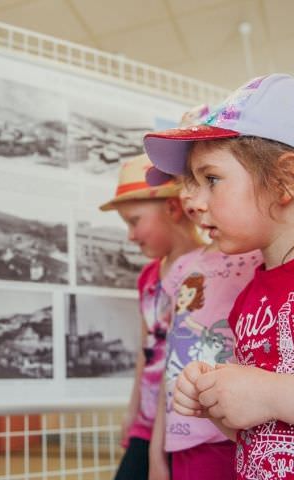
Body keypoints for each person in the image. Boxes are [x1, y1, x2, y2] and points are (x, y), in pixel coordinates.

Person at [143, 73, 294, 480]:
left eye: (211, 179)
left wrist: (272, 394)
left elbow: (274, 401)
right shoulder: (249, 298)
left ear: (285, 179)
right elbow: (262, 434)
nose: (196, 199)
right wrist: (221, 401)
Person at [146, 175, 261, 480]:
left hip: (233, 434)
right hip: (182, 437)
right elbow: (171, 359)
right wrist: (156, 449)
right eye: (185, 182)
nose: (190, 196)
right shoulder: (184, 267)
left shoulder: (258, 256)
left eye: (207, 179)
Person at [100, 153, 202, 480]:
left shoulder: (206, 270)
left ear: (172, 209)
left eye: (134, 221)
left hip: (187, 424)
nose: (130, 235)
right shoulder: (146, 278)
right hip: (147, 426)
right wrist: (132, 411)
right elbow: (147, 350)